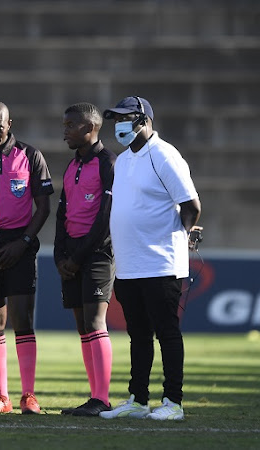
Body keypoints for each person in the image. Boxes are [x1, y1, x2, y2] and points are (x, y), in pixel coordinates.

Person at [100, 96, 201, 421]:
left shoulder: (164, 154)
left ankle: (173, 402)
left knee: (167, 333)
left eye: (125, 118)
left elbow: (191, 204)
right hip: (129, 265)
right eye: (115, 120)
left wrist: (179, 239)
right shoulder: (127, 159)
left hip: (160, 263)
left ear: (144, 120)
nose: (119, 126)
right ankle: (138, 399)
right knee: (139, 335)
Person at [0, 101, 53, 415]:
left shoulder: (31, 155)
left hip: (20, 245)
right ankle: (2, 396)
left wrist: (23, 242)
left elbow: (44, 208)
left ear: (11, 123)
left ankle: (28, 395)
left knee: (22, 319)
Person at [54, 102, 116, 416]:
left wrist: (77, 257)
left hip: (97, 255)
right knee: (82, 326)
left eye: (69, 126)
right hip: (72, 256)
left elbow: (105, 219)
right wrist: (59, 254)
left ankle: (102, 399)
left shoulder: (108, 163)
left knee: (95, 322)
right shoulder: (72, 165)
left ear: (89, 128)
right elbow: (62, 212)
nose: (64, 132)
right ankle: (95, 396)